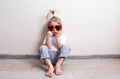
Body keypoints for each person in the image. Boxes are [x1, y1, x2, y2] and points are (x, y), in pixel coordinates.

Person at [39, 10, 71, 77]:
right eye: (51, 28)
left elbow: (59, 47)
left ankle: (57, 66)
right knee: (42, 47)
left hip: (58, 57)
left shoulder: (62, 36)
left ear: (60, 28)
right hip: (48, 58)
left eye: (57, 27)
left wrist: (57, 36)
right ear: (48, 29)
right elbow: (49, 48)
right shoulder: (48, 36)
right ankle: (50, 67)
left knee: (67, 46)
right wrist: (48, 37)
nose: (54, 30)